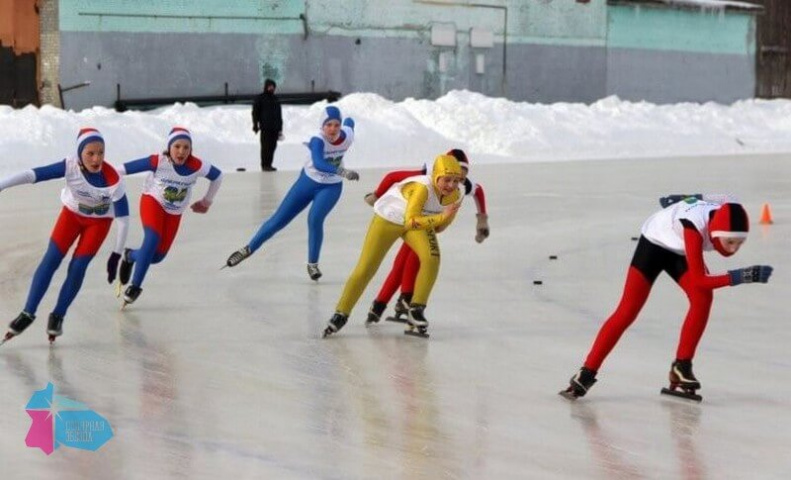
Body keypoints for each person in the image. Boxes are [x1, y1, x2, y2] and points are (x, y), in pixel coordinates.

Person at [561, 194, 773, 399]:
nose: (734, 249)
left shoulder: (730, 203)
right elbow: (700, 279)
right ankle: (586, 373)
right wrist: (740, 276)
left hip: (679, 250)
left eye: (739, 243)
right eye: (730, 242)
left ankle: (682, 366)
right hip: (653, 245)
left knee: (702, 299)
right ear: (716, 232)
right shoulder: (694, 228)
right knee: (627, 310)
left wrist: (684, 197)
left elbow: (709, 195)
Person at [0, 128, 129, 344]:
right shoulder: (69, 166)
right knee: (51, 259)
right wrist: (2, 184)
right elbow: (33, 175)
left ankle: (58, 315)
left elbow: (124, 219)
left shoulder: (113, 180)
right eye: (90, 153)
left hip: (98, 224)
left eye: (101, 153)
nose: (96, 159)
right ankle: (27, 313)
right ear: (80, 153)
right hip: (71, 217)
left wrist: (116, 255)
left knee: (78, 268)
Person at [322, 154, 463, 338]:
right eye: (447, 180)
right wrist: (442, 217)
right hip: (389, 218)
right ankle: (341, 312)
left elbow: (440, 227)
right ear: (436, 176)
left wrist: (446, 218)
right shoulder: (422, 188)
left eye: (456, 180)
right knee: (366, 268)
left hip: (416, 221)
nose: (451, 185)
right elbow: (411, 220)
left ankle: (416, 309)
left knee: (432, 258)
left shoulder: (455, 194)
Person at [226, 105, 358, 281]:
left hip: (331, 187)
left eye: (336, 124)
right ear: (322, 126)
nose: (333, 129)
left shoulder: (347, 135)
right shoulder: (318, 140)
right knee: (279, 220)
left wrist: (347, 121)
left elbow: (350, 123)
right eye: (328, 125)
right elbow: (318, 163)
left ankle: (313, 265)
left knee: (315, 219)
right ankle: (248, 249)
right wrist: (343, 172)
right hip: (308, 182)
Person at [361, 149, 490, 324]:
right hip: (409, 221)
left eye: (461, 177)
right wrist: (376, 196)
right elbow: (393, 176)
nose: (455, 182)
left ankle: (384, 306)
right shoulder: (428, 176)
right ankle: (398, 301)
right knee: (404, 264)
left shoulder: (461, 184)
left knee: (407, 263)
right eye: (453, 175)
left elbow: (478, 191)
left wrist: (482, 220)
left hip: (427, 225)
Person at [115, 127, 224, 306]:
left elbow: (218, 176)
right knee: (152, 239)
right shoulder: (158, 161)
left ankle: (130, 256)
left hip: (174, 211)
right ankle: (135, 286)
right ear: (169, 147)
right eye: (177, 146)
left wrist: (206, 202)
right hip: (153, 201)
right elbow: (120, 169)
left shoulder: (197, 165)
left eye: (186, 148)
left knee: (156, 257)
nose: (181, 151)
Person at [252, 78, 283, 172]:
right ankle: (264, 165)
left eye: (273, 86)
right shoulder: (260, 98)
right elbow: (255, 113)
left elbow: (279, 114)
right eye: (269, 86)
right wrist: (255, 125)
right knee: (265, 147)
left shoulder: (276, 99)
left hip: (275, 128)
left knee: (273, 147)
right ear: (266, 87)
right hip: (265, 127)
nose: (271, 88)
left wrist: (280, 128)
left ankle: (269, 164)